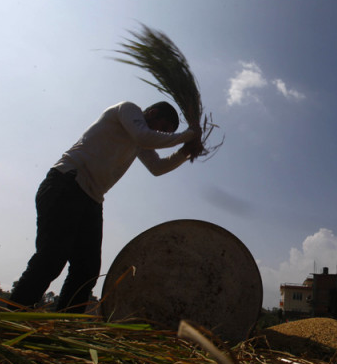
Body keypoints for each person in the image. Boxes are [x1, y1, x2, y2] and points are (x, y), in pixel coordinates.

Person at [10, 100, 202, 312]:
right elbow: (144, 136)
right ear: (152, 113)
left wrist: (185, 152)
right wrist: (190, 134)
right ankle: (13, 315)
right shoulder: (128, 110)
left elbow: (157, 167)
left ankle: (62, 325)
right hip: (67, 183)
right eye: (163, 129)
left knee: (86, 271)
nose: (162, 135)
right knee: (52, 257)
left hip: (92, 199)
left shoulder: (141, 141)